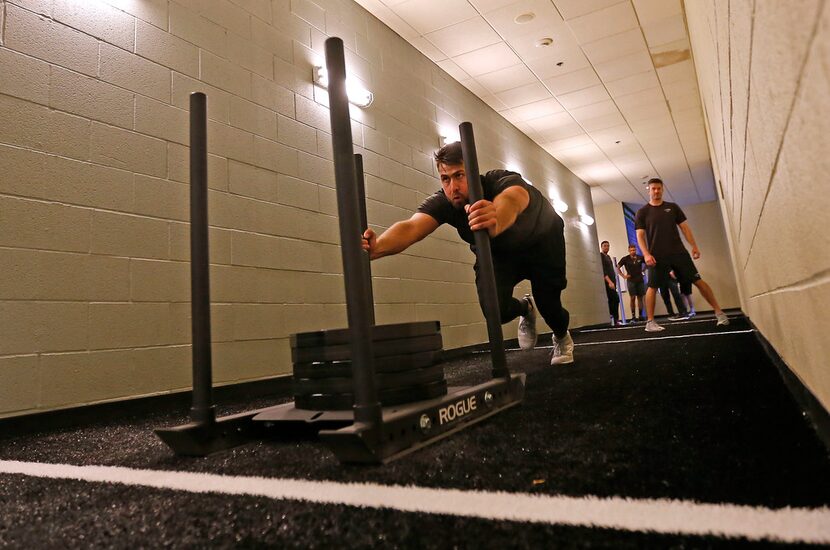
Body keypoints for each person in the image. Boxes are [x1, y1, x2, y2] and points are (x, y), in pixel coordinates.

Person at [362, 142, 574, 365]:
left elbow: (514, 199)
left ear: (472, 171)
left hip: (542, 242)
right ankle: (525, 308)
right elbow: (412, 227)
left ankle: (561, 337)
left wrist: (497, 218)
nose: (453, 186)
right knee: (494, 310)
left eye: (459, 175)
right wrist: (378, 247)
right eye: (446, 179)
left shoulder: (500, 180)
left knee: (549, 304)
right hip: (499, 253)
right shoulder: (445, 202)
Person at [635, 178, 730, 332]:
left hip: (678, 252)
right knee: (652, 287)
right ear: (649, 190)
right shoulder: (643, 212)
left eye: (659, 188)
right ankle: (650, 323)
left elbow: (685, 228)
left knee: (697, 280)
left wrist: (694, 246)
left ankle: (720, 313)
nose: (656, 191)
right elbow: (640, 236)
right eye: (653, 189)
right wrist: (646, 254)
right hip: (656, 256)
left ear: (662, 189)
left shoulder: (672, 208)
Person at [617, 244, 646, 322]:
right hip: (631, 281)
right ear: (629, 251)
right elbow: (617, 267)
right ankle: (633, 316)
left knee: (640, 297)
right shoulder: (625, 259)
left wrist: (643, 270)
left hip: (640, 280)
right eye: (631, 250)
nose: (633, 251)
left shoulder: (640, 257)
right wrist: (623, 276)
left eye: (634, 250)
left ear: (636, 250)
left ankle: (640, 315)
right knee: (632, 298)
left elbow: (646, 263)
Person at [600, 241, 621, 326]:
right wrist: (609, 282)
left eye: (608, 246)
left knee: (615, 300)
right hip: (608, 283)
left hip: (613, 282)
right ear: (601, 247)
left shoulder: (608, 257)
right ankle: (614, 319)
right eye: (605, 246)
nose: (606, 247)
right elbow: (603, 271)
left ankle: (615, 320)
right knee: (614, 299)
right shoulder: (601, 256)